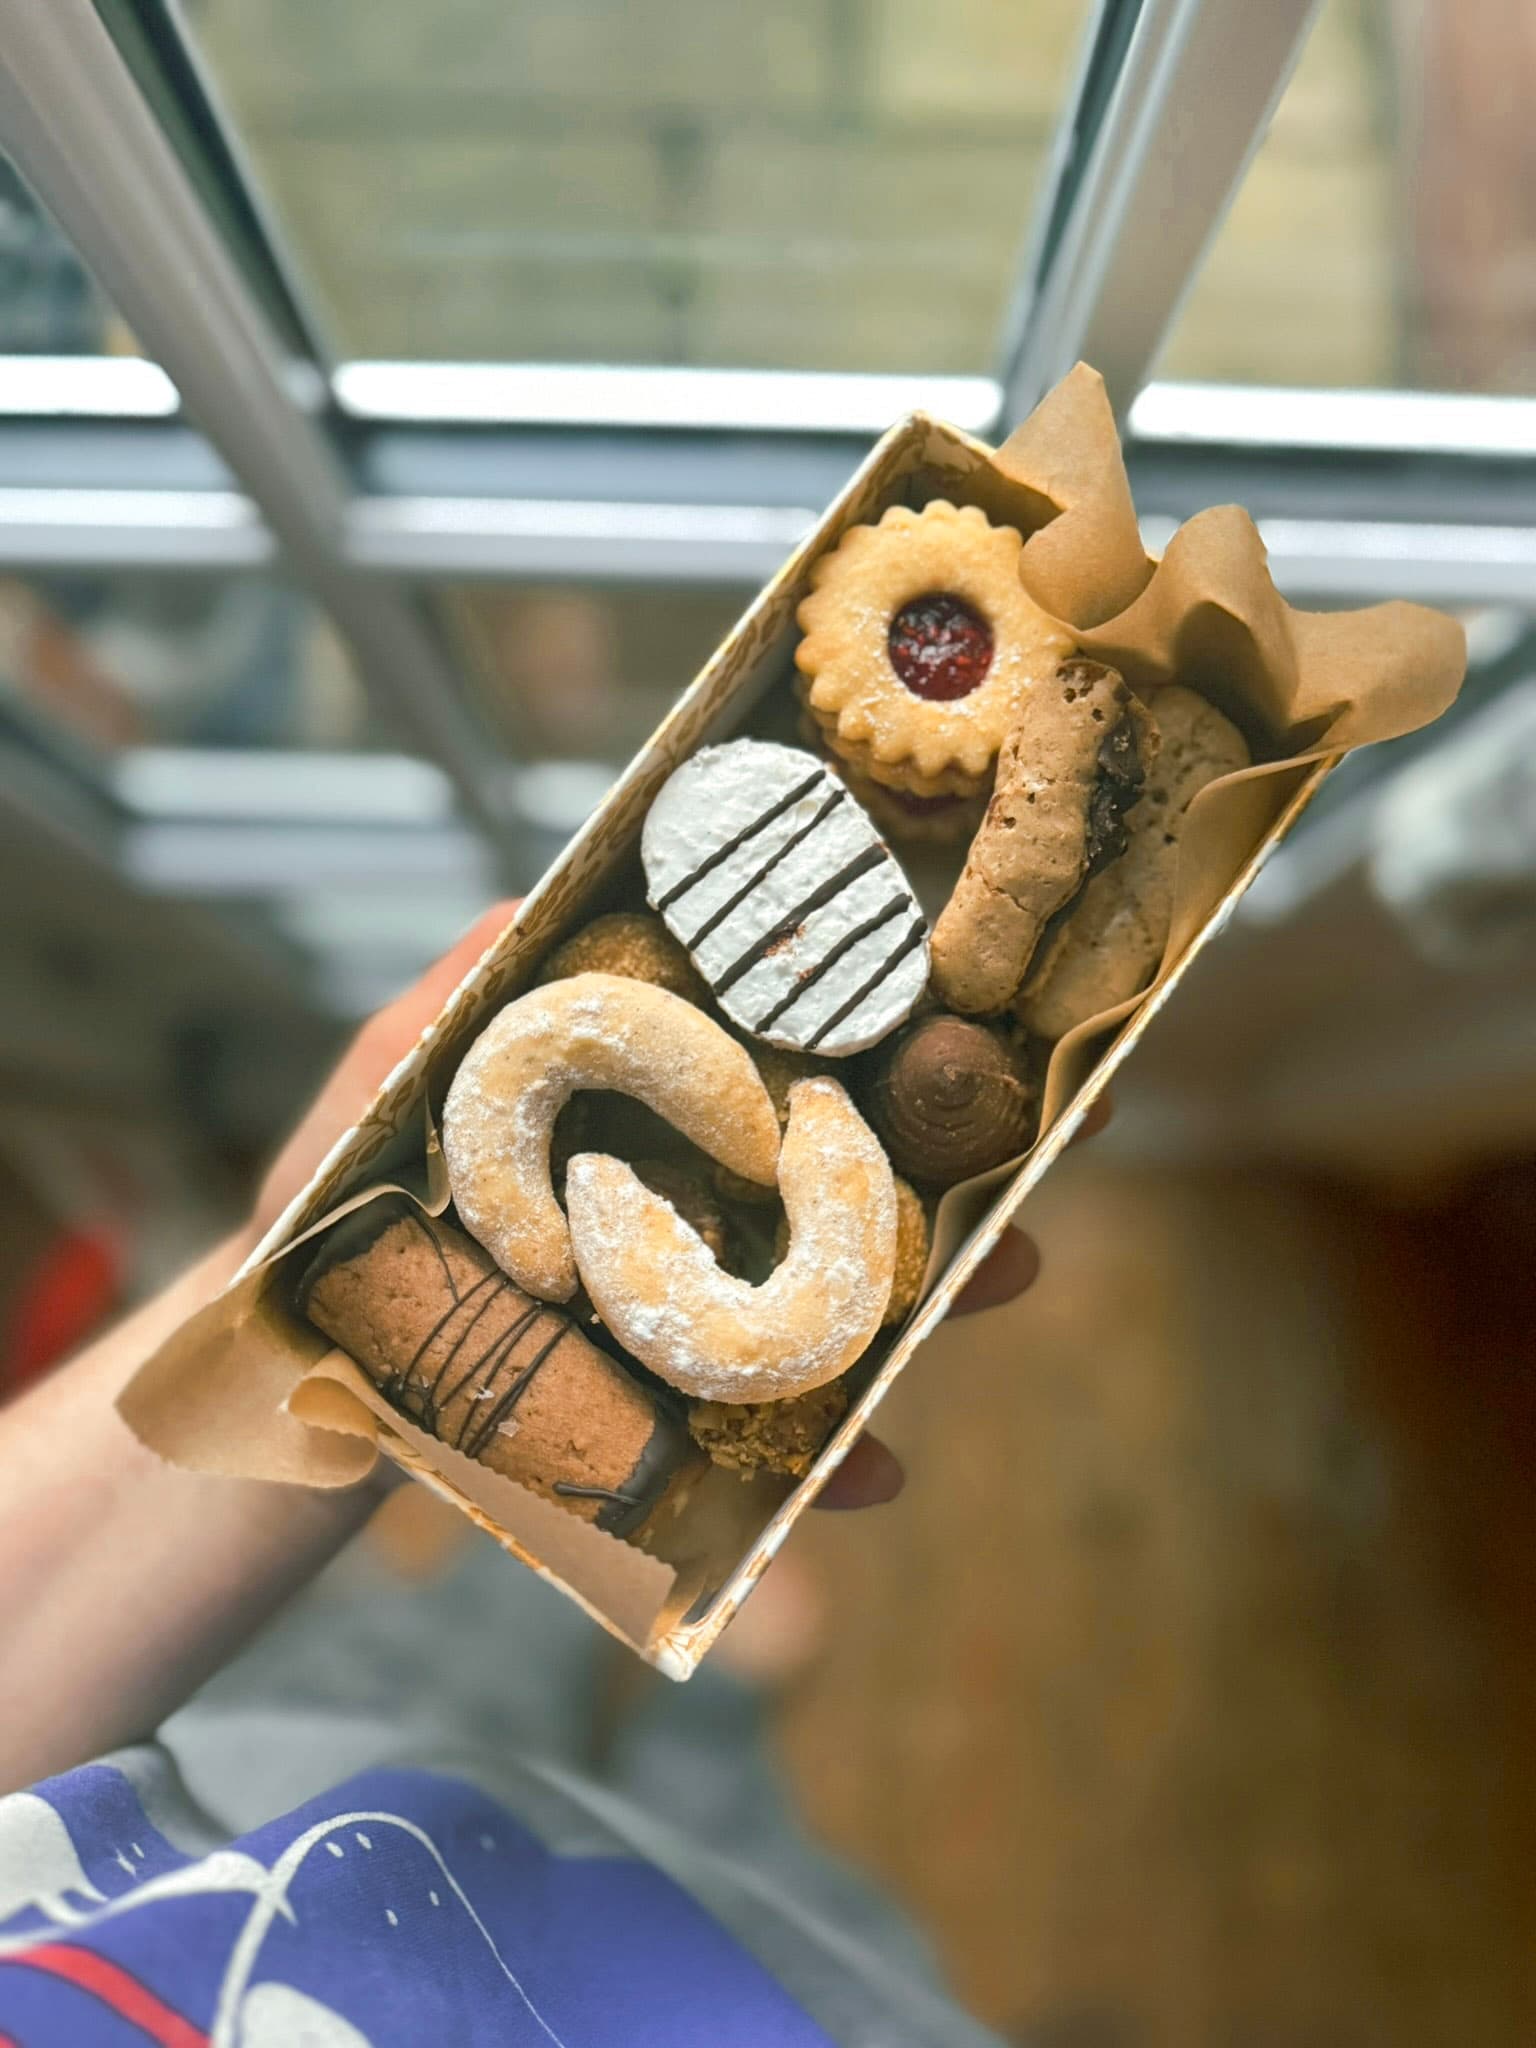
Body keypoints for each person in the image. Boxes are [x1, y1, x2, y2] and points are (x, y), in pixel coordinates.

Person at [0, 904, 1069, 2047]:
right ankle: (706, 1725)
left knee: (417, 1671)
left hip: (255, 1751)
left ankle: (647, 1673)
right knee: (758, 1856)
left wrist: (287, 1343)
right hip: (787, 1987)